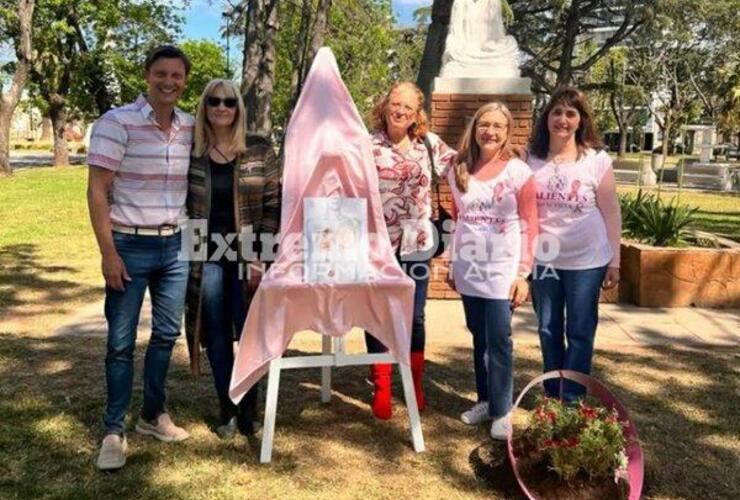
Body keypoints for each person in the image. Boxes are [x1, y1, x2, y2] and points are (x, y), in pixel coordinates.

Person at [87, 45, 194, 471]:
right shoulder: (117, 123)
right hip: (128, 245)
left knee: (168, 334)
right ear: (147, 76)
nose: (169, 82)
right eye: (161, 74)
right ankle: (114, 430)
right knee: (120, 342)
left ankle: (152, 414)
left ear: (185, 80)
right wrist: (107, 252)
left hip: (175, 247)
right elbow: (97, 192)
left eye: (177, 75)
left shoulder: (189, 126)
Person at [184, 79, 281, 439]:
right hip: (206, 256)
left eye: (229, 102)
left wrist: (262, 256)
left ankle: (249, 407)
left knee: (250, 332)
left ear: (238, 107)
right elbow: (184, 206)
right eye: (214, 102)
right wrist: (192, 255)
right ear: (205, 107)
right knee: (216, 333)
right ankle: (227, 404)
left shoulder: (258, 149)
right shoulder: (193, 151)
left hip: (248, 255)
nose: (221, 108)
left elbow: (274, 203)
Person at [365, 81, 457, 419]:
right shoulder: (367, 144)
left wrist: (503, 161)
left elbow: (461, 167)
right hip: (377, 245)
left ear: (417, 112)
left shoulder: (429, 144)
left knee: (414, 315)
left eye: (407, 106)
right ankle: (382, 385)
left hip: (417, 243)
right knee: (377, 313)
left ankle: (414, 382)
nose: (400, 110)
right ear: (385, 105)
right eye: (395, 103)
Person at [447, 102, 538, 439]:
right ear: (474, 127)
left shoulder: (518, 172)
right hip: (469, 268)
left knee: (499, 339)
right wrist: (453, 263)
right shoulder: (459, 169)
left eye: (498, 126)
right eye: (485, 124)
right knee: (479, 337)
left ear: (507, 132)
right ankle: (485, 400)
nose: (490, 131)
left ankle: (502, 411)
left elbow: (531, 224)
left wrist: (522, 273)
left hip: (503, 270)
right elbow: (458, 221)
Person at [527, 86, 621, 401]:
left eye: (571, 113)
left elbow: (610, 211)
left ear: (580, 121)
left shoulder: (597, 160)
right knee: (548, 330)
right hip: (545, 260)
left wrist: (615, 260)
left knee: (579, 332)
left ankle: (571, 399)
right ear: (547, 117)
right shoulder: (531, 158)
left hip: (588, 261)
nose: (563, 120)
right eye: (557, 112)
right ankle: (553, 393)